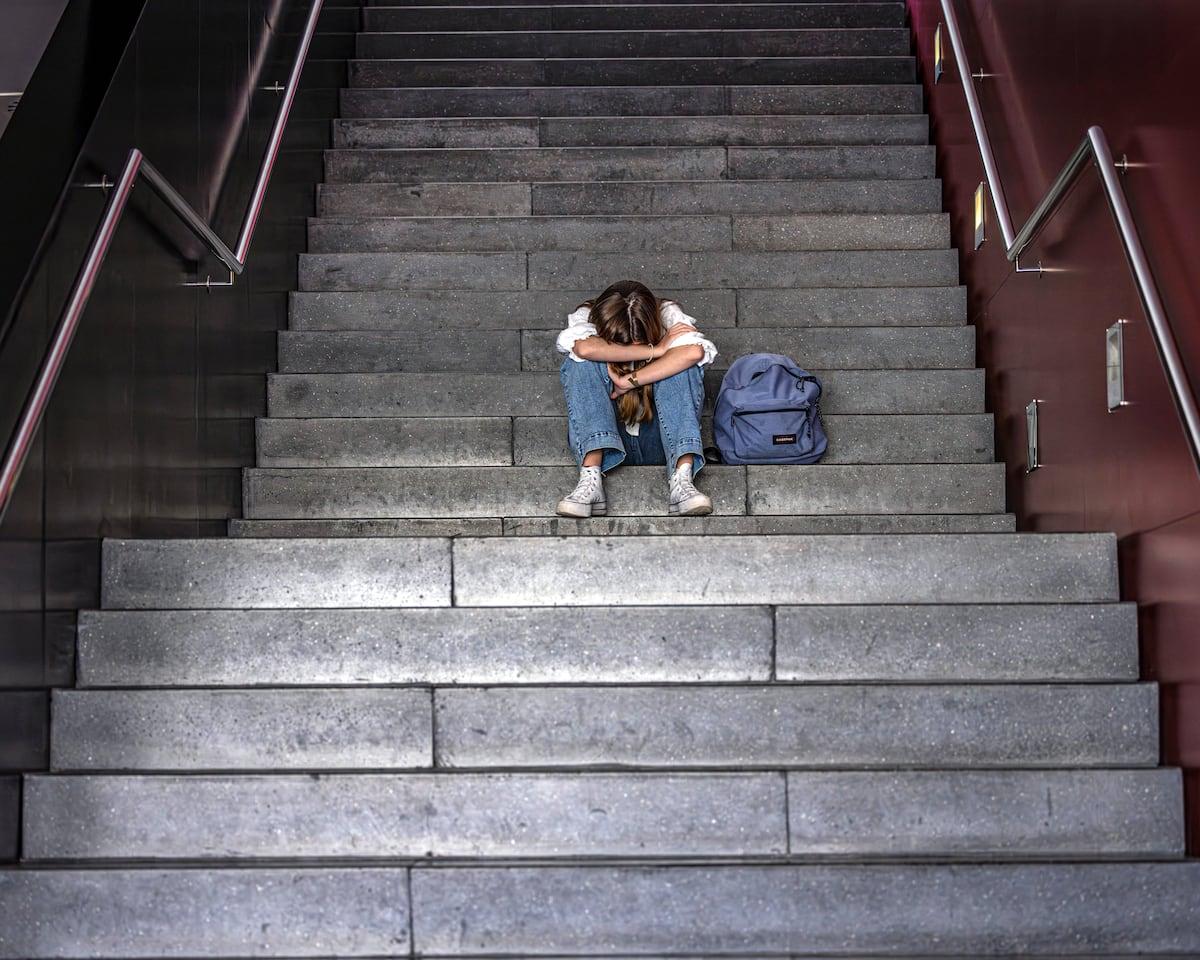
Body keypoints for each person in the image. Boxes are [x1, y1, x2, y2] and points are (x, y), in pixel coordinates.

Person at [555, 279, 718, 518]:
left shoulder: (666, 313)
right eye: (622, 345)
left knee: (684, 366)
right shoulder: (587, 314)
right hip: (610, 444)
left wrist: (629, 380)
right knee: (579, 364)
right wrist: (657, 350)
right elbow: (585, 349)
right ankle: (590, 478)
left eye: (638, 341)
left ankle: (683, 479)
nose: (631, 347)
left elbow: (694, 351)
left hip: (660, 441)